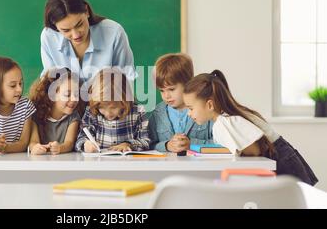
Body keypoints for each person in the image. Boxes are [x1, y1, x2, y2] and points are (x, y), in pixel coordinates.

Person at [183, 70, 318, 185]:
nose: (189, 114)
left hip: (282, 163)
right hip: (285, 157)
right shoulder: (228, 116)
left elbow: (254, 150)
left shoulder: (224, 122)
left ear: (210, 105)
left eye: (191, 108)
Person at [41, 0, 135, 84]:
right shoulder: (49, 37)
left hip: (108, 98)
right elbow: (49, 82)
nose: (75, 35)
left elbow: (125, 81)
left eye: (79, 24)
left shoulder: (114, 33)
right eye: (66, 30)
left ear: (86, 11)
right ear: (55, 27)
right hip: (65, 99)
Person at [148, 53, 213, 153]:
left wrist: (192, 144)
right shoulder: (157, 114)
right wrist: (167, 146)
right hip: (167, 167)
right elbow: (149, 144)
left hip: (199, 167)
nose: (166, 96)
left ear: (188, 83)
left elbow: (221, 143)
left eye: (171, 89)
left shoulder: (205, 109)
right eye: (162, 90)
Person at [75, 68, 150, 153]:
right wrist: (85, 144)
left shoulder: (138, 112)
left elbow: (146, 141)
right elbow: (80, 140)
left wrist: (128, 144)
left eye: (113, 107)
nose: (108, 113)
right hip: (98, 163)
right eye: (102, 107)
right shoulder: (91, 112)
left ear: (125, 100)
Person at [28, 68, 80, 155]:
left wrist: (60, 148)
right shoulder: (37, 115)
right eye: (67, 94)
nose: (74, 99)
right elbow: (33, 142)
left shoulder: (73, 117)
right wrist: (35, 147)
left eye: (76, 94)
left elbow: (69, 143)